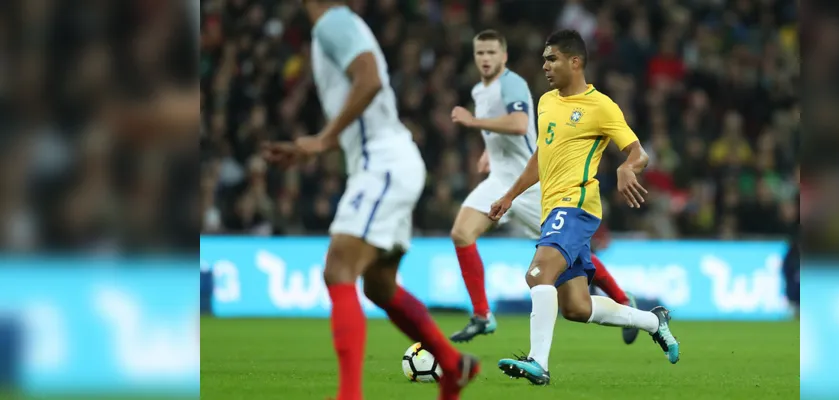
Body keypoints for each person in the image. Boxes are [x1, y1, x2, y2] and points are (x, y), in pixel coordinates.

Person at [264, 2, 479, 399]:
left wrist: (324, 140)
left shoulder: (333, 23)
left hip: (383, 163)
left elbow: (369, 79)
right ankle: (452, 364)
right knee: (379, 287)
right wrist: (320, 145)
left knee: (339, 267)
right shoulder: (341, 26)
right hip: (386, 161)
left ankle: (349, 395)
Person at [490, 30, 680, 386]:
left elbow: (639, 153)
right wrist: (511, 194)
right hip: (553, 209)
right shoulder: (546, 102)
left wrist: (626, 168)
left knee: (537, 274)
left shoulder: (601, 106)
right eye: (545, 59)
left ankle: (538, 363)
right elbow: (541, 157)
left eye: (552, 59)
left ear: (575, 62)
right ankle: (654, 322)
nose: (545, 65)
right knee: (576, 307)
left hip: (577, 205)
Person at [448, 30, 639, 345]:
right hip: (503, 178)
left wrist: (473, 123)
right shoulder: (483, 91)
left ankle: (621, 298)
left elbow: (519, 125)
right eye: (479, 53)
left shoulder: (512, 85)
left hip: (537, 184)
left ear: (504, 56)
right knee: (461, 233)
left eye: (491, 53)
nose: (485, 59)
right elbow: (523, 137)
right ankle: (482, 315)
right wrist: (490, 151)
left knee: (566, 253)